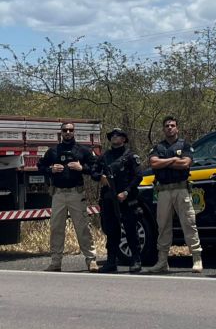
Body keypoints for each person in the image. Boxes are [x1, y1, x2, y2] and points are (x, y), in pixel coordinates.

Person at [37, 122, 99, 272]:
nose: (68, 132)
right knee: (56, 228)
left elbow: (96, 167)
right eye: (65, 130)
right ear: (61, 133)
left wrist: (82, 168)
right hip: (58, 194)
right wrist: (50, 169)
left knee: (82, 227)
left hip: (76, 194)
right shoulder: (53, 151)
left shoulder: (82, 150)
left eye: (71, 130)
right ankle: (56, 262)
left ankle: (91, 260)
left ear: (74, 132)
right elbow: (40, 166)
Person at [146, 116, 202, 273]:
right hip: (163, 191)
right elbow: (154, 163)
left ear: (177, 128)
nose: (169, 128)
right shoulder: (158, 147)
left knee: (189, 223)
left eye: (172, 125)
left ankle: (197, 258)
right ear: (163, 129)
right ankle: (162, 261)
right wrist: (173, 159)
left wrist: (166, 162)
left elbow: (185, 163)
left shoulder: (184, 145)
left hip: (181, 189)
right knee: (163, 226)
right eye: (166, 126)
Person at [93, 128, 144, 273]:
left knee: (130, 230)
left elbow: (138, 176)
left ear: (124, 139)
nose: (115, 137)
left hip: (127, 199)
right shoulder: (105, 157)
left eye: (119, 135)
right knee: (111, 230)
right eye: (113, 135)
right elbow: (93, 171)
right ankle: (111, 261)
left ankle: (135, 260)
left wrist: (127, 191)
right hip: (109, 199)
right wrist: (100, 177)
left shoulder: (130, 156)